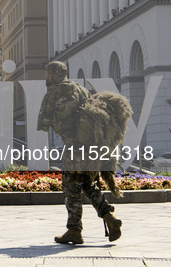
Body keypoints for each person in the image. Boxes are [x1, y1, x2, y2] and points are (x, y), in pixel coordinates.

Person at [37, 61, 122, 245]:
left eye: (47, 73)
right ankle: (110, 216)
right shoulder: (81, 90)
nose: (46, 77)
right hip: (91, 147)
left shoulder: (52, 94)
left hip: (74, 149)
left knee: (71, 186)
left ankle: (74, 230)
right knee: (89, 184)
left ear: (52, 74)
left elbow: (43, 123)